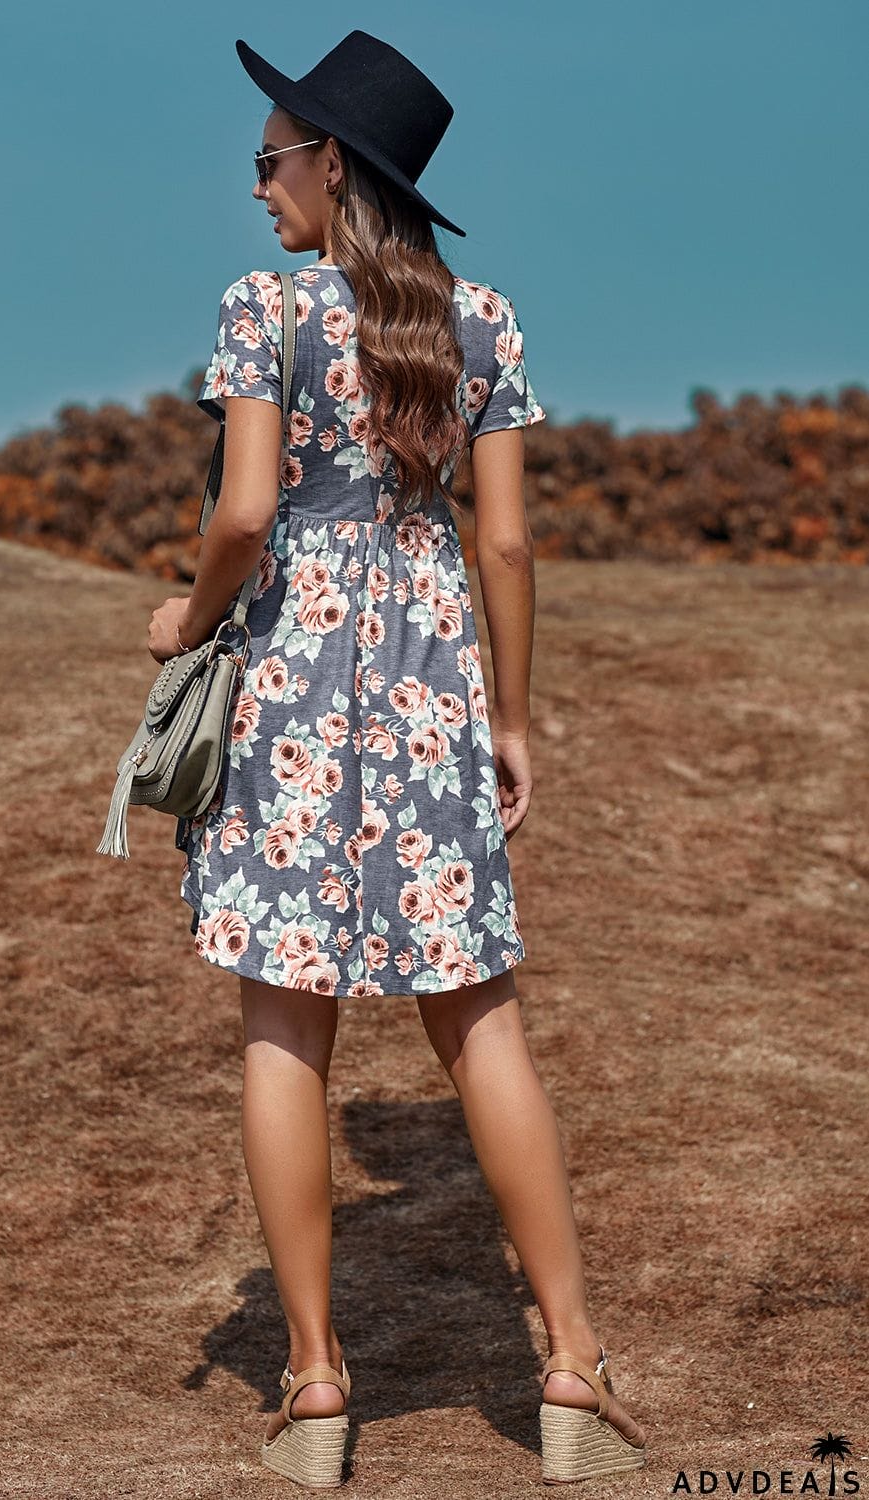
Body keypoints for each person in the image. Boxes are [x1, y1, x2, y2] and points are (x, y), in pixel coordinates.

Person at [146, 29, 647, 1491]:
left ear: (329, 165)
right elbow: (504, 538)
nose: (255, 191)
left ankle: (313, 1388)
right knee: (479, 1021)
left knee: (282, 1028)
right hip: (433, 685)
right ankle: (568, 1358)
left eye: (269, 161)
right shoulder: (482, 321)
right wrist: (508, 712)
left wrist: (185, 615)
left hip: (294, 683)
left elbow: (244, 515)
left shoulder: (266, 312)